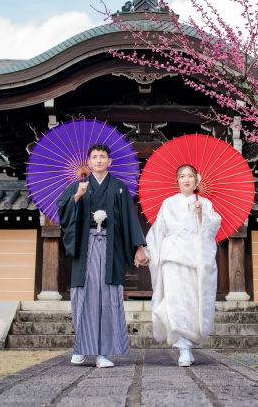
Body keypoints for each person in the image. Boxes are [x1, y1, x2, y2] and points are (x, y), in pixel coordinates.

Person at [56, 143, 148, 368]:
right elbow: (62, 211)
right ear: (88, 162)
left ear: (110, 161)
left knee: (108, 297)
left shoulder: (118, 187)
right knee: (83, 295)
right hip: (85, 245)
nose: (98, 160)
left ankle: (103, 353)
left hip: (110, 245)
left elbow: (129, 218)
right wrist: (76, 197)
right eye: (94, 157)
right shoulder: (77, 185)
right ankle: (81, 347)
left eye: (102, 157)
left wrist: (139, 247)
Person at [144, 164, 220, 367]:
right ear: (176, 181)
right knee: (175, 301)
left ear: (197, 180)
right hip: (172, 257)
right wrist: (147, 252)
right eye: (182, 176)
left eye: (190, 176)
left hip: (195, 259)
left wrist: (202, 215)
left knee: (191, 303)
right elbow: (158, 232)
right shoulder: (167, 203)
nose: (186, 179)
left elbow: (212, 229)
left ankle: (187, 343)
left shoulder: (205, 204)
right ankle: (183, 349)